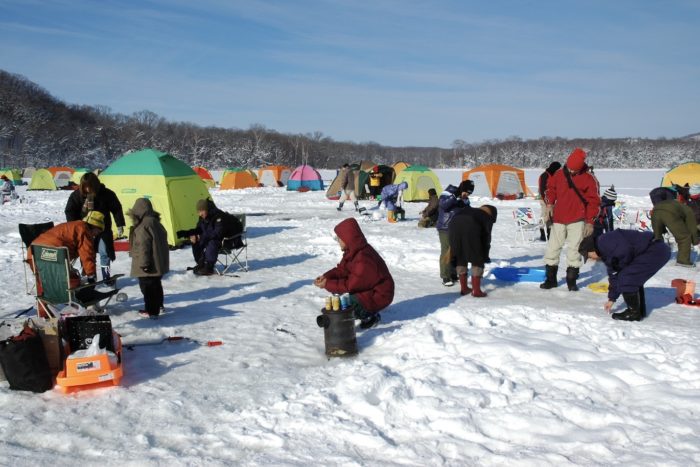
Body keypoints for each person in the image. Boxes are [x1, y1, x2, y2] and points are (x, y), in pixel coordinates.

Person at [313, 218, 394, 329]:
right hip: (369, 289)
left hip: (380, 294)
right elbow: (342, 270)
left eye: (339, 239)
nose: (338, 241)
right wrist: (326, 277)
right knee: (340, 297)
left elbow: (350, 285)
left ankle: (370, 316)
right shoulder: (352, 251)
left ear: (348, 239)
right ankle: (363, 310)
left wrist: (327, 284)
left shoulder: (363, 259)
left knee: (347, 304)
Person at [540, 148, 600, 291]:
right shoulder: (559, 174)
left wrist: (590, 222)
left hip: (578, 219)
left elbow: (594, 202)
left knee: (574, 250)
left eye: (575, 170)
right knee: (552, 248)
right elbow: (550, 189)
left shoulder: (589, 179)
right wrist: (549, 204)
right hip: (558, 218)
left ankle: (571, 281)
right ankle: (551, 279)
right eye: (570, 168)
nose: (571, 172)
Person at [28, 212, 109, 317]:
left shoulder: (74, 226)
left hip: (35, 254)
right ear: (94, 226)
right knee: (73, 282)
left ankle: (44, 315)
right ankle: (78, 311)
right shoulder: (84, 230)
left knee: (44, 284)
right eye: (98, 231)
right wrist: (91, 275)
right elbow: (87, 254)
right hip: (54, 257)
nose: (96, 234)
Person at [578, 230, 670, 321]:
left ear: (592, 250)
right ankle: (639, 310)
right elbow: (614, 274)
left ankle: (633, 313)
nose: (591, 259)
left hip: (656, 250)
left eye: (589, 256)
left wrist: (621, 273)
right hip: (653, 251)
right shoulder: (604, 249)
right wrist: (612, 299)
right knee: (630, 277)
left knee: (628, 278)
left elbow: (624, 255)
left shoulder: (608, 243)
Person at [65, 172, 125, 283]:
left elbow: (116, 208)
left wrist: (120, 223)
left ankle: (106, 278)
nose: (87, 189)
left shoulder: (107, 194)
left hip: (103, 229)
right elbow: (69, 211)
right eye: (85, 187)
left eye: (89, 186)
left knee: (105, 253)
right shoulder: (76, 195)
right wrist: (74, 226)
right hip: (84, 231)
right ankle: (90, 277)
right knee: (86, 254)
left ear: (95, 185)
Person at [127, 198, 169, 319]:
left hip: (148, 264)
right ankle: (159, 306)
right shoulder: (155, 222)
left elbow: (143, 246)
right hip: (158, 262)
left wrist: (144, 263)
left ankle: (152, 311)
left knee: (147, 287)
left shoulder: (143, 226)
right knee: (156, 285)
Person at [448, 205, 497, 297]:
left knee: (460, 256)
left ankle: (464, 288)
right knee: (477, 258)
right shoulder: (486, 217)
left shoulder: (468, 210)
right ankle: (476, 291)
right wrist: (484, 255)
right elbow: (486, 237)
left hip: (453, 227)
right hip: (471, 229)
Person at [190, 198, 242, 276]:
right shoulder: (202, 217)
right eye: (198, 212)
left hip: (228, 240)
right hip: (215, 239)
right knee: (196, 241)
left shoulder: (218, 216)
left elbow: (218, 233)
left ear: (206, 209)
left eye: (201, 211)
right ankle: (201, 263)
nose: (200, 214)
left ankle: (209, 267)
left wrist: (204, 236)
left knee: (212, 241)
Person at [436, 184, 469, 286]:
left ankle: (453, 274)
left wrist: (465, 199)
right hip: (445, 228)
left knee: (455, 251)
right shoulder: (444, 196)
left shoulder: (457, 199)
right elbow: (444, 205)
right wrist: (455, 196)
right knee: (446, 252)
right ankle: (445, 276)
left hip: (456, 228)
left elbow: (466, 208)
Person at [650, 198, 698, 267]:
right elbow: (692, 227)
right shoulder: (689, 210)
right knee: (684, 237)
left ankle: (653, 258)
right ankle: (683, 261)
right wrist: (695, 241)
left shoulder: (677, 204)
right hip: (669, 213)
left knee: (657, 237)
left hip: (655, 211)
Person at [537, 161, 562, 241]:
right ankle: (542, 233)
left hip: (551, 200)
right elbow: (542, 189)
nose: (559, 170)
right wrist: (546, 201)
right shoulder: (544, 175)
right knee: (545, 216)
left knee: (550, 217)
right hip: (544, 199)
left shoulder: (554, 175)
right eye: (558, 168)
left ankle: (549, 233)